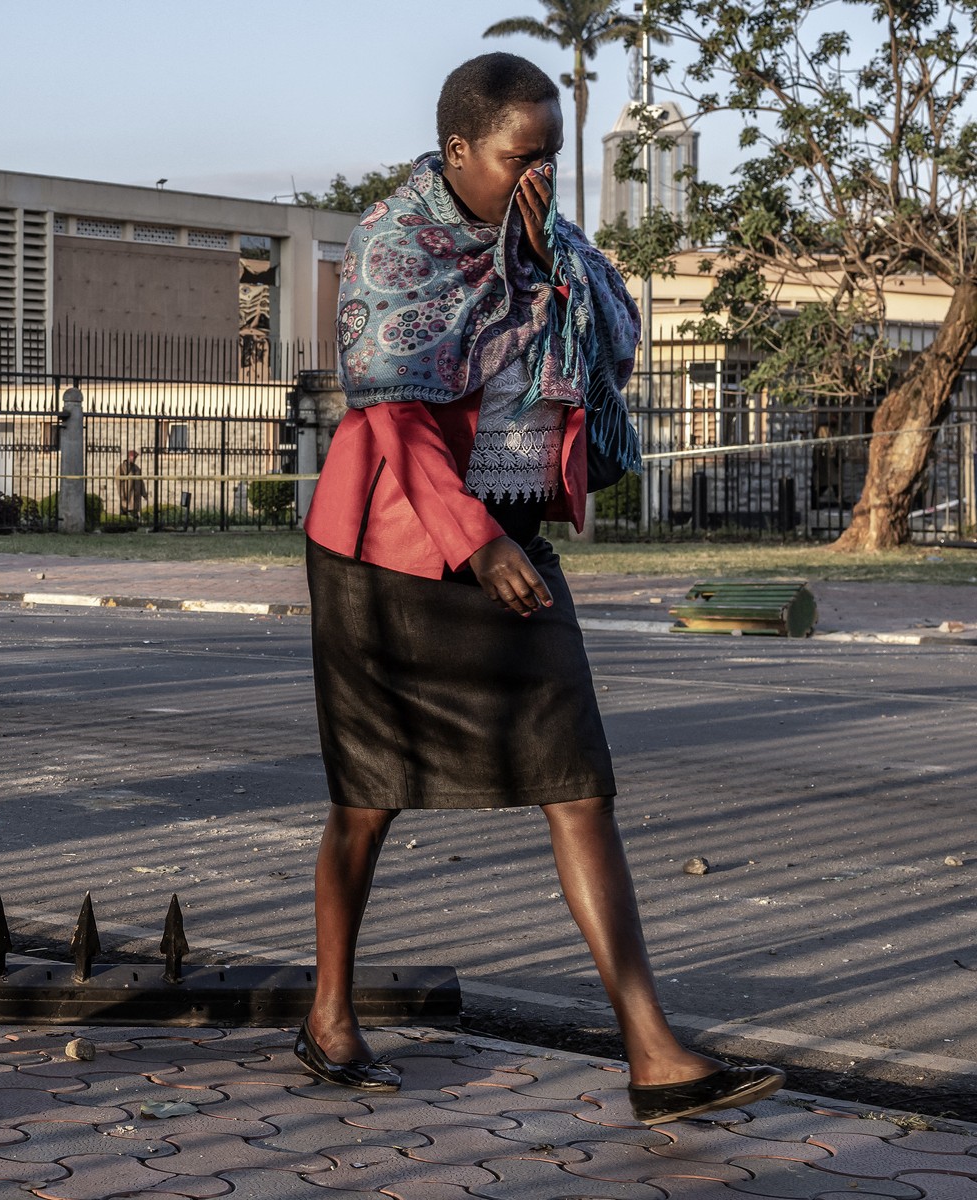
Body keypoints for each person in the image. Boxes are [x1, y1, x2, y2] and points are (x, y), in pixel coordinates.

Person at [296, 52, 784, 1127]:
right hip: (392, 557)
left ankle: (652, 1053)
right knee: (369, 803)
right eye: (522, 156)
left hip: (512, 545)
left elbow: (613, 337)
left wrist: (550, 264)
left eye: (554, 157)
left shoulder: (550, 249)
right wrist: (475, 543)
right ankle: (328, 1012)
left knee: (580, 788)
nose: (542, 178)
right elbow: (395, 419)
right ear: (460, 150)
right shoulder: (392, 246)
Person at [116, 450, 147, 518]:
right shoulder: (121, 468)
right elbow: (119, 483)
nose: (135, 459)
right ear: (129, 457)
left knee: (135, 517)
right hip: (126, 496)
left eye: (135, 457)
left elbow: (141, 482)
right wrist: (121, 494)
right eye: (133, 457)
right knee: (125, 517)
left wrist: (144, 494)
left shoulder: (137, 468)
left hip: (135, 496)